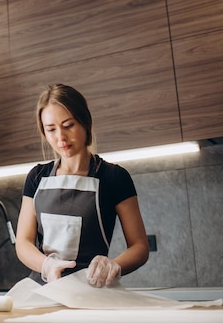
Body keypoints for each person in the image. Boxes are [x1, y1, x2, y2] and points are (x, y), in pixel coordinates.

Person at [15, 84, 149, 288]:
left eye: (68, 125)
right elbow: (23, 243)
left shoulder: (114, 177)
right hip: (43, 289)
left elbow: (140, 247)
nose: (60, 137)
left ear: (85, 122)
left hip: (91, 290)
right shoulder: (36, 177)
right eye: (51, 129)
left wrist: (113, 265)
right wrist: (47, 265)